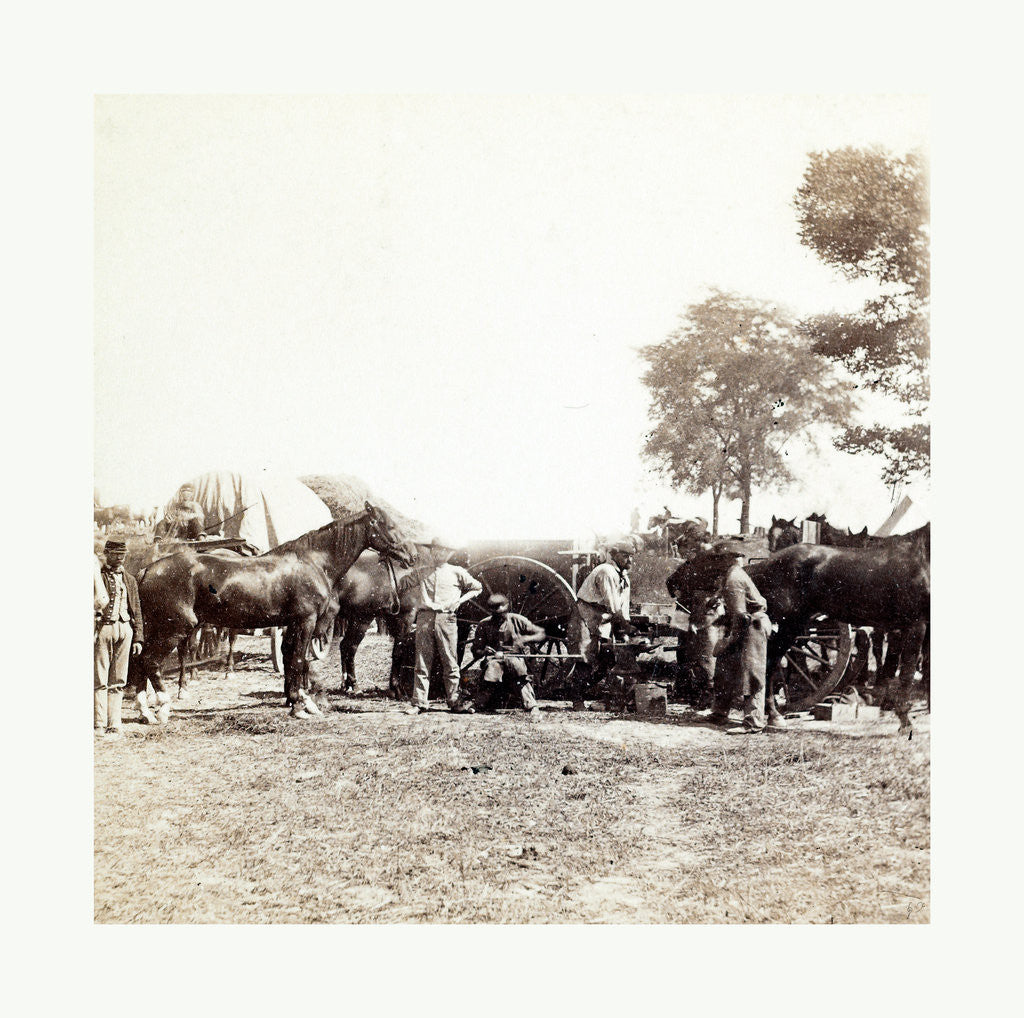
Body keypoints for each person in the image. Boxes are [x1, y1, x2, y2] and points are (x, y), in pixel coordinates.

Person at [709, 542, 785, 734]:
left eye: (718, 559)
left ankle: (754, 723)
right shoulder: (732, 575)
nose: (715, 563)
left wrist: (729, 640)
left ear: (728, 559)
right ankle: (719, 712)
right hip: (746, 622)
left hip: (752, 626)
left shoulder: (733, 578)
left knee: (752, 674)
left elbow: (741, 616)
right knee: (725, 665)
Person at [405, 536, 482, 715]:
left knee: (450, 661)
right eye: (435, 550)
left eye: (442, 550)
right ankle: (419, 702)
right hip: (424, 618)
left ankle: (455, 701)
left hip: (446, 619)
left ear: (449, 553)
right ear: (431, 552)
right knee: (422, 661)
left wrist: (459, 601)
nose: (438, 553)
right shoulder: (421, 572)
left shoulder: (457, 572)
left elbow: (477, 587)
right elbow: (402, 583)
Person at [571, 540, 633, 710]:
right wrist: (626, 628)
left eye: (631, 556)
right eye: (625, 556)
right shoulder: (606, 571)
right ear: (613, 555)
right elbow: (613, 605)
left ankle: (593, 694)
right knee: (585, 659)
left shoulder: (623, 575)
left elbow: (622, 607)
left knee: (607, 660)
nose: (630, 560)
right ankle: (577, 700)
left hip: (603, 619)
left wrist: (625, 627)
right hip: (587, 615)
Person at [94, 539, 144, 737]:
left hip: (125, 630)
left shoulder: (130, 580)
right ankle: (98, 723)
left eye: (122, 554)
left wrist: (138, 637)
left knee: (119, 679)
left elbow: (137, 609)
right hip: (103, 628)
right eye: (115, 554)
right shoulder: (98, 576)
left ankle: (114, 723)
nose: (119, 558)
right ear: (106, 554)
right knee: (100, 677)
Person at [471, 594, 548, 722]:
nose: (500, 617)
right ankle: (479, 704)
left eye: (502, 613)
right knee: (492, 670)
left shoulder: (518, 620)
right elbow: (476, 650)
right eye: (496, 614)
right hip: (493, 659)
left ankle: (532, 706)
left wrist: (525, 639)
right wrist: (484, 651)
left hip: (515, 658)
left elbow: (541, 633)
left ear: (507, 609)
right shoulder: (484, 624)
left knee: (518, 673)